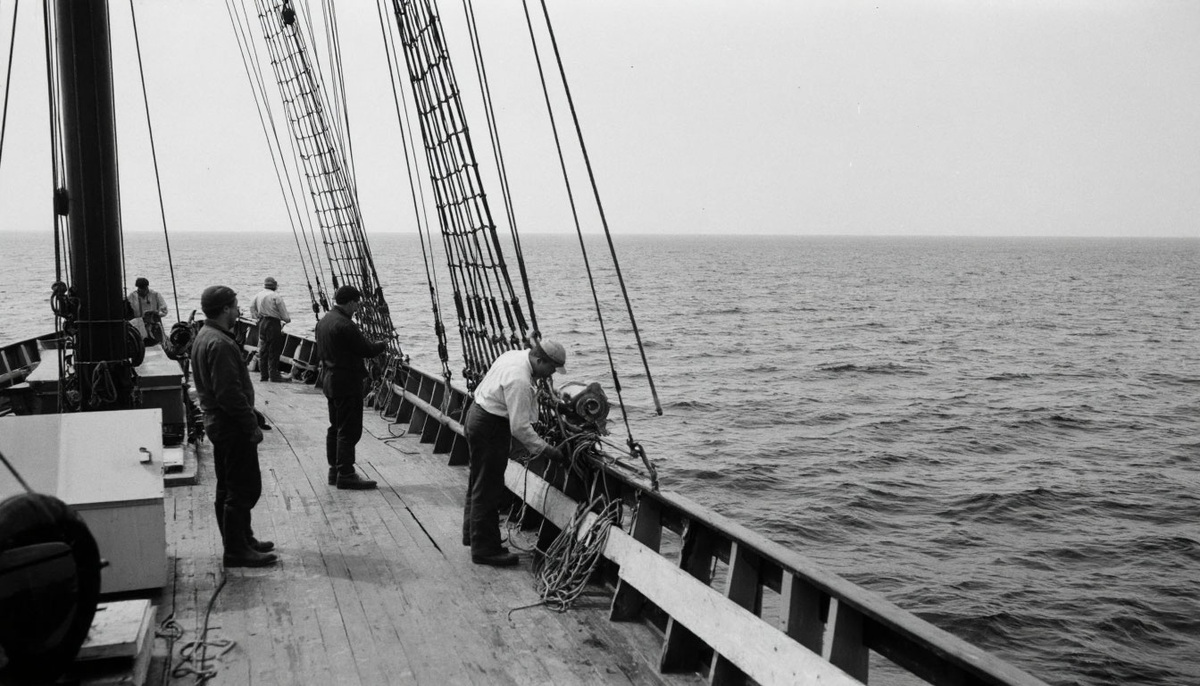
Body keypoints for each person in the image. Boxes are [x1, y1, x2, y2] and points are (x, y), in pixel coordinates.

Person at [191, 285, 277, 568]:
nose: (239, 310)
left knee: (227, 486)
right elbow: (228, 393)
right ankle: (236, 551)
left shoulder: (204, 336)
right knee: (243, 488)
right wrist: (250, 424)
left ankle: (242, 539)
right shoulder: (221, 344)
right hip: (231, 426)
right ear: (226, 309)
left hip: (218, 422)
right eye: (235, 305)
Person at [462, 339, 567, 567]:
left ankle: (474, 535)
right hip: (490, 427)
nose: (551, 374)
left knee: (478, 482)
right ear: (540, 360)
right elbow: (519, 427)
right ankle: (485, 550)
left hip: (477, 414)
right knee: (489, 488)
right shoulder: (520, 380)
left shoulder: (513, 355)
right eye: (551, 368)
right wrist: (547, 450)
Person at [315, 285, 387, 490]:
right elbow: (366, 349)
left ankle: (334, 471)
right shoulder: (346, 325)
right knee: (349, 430)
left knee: (335, 427)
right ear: (350, 302)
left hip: (330, 381)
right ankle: (346, 474)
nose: (357, 308)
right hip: (346, 383)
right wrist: (382, 344)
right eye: (356, 304)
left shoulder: (324, 321)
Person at [249, 276, 292, 382]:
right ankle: (273, 375)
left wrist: (257, 317)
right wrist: (287, 320)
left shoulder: (258, 295)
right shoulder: (276, 296)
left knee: (263, 349)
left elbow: (252, 308)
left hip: (262, 323)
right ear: (275, 286)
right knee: (274, 349)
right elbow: (285, 317)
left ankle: (264, 375)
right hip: (273, 324)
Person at [127, 277, 168, 345]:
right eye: (141, 288)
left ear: (147, 287)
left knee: (158, 343)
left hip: (154, 325)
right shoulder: (132, 297)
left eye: (145, 288)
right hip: (138, 325)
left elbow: (164, 310)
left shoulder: (155, 295)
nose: (143, 290)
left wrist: (157, 314)